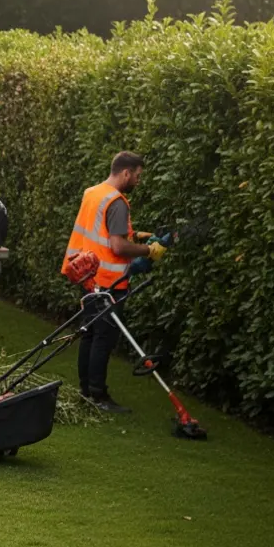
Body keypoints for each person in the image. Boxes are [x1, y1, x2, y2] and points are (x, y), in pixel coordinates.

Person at [61, 151, 167, 414]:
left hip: (87, 275)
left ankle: (86, 391)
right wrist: (149, 250)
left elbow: (102, 230)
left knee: (88, 335)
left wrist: (139, 234)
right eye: (138, 176)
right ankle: (98, 396)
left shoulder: (93, 192)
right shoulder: (118, 202)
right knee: (103, 339)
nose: (138, 182)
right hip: (109, 282)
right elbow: (117, 246)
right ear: (126, 173)